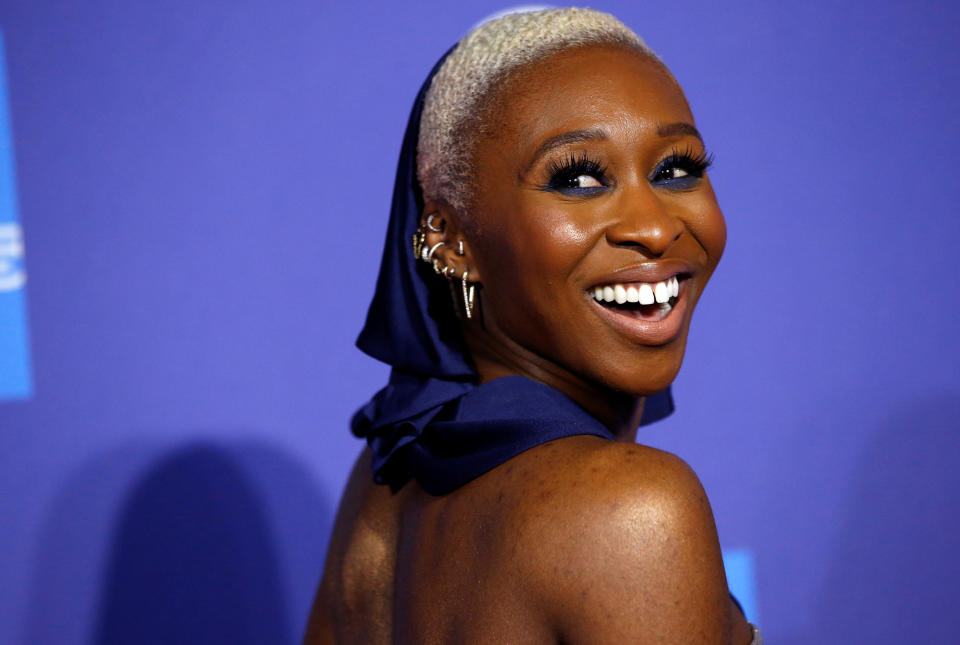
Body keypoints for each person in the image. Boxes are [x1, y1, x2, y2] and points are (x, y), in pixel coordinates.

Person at [304, 8, 761, 644]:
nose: (655, 227)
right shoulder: (631, 508)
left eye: (676, 169)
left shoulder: (389, 468)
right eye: (578, 179)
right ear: (451, 240)